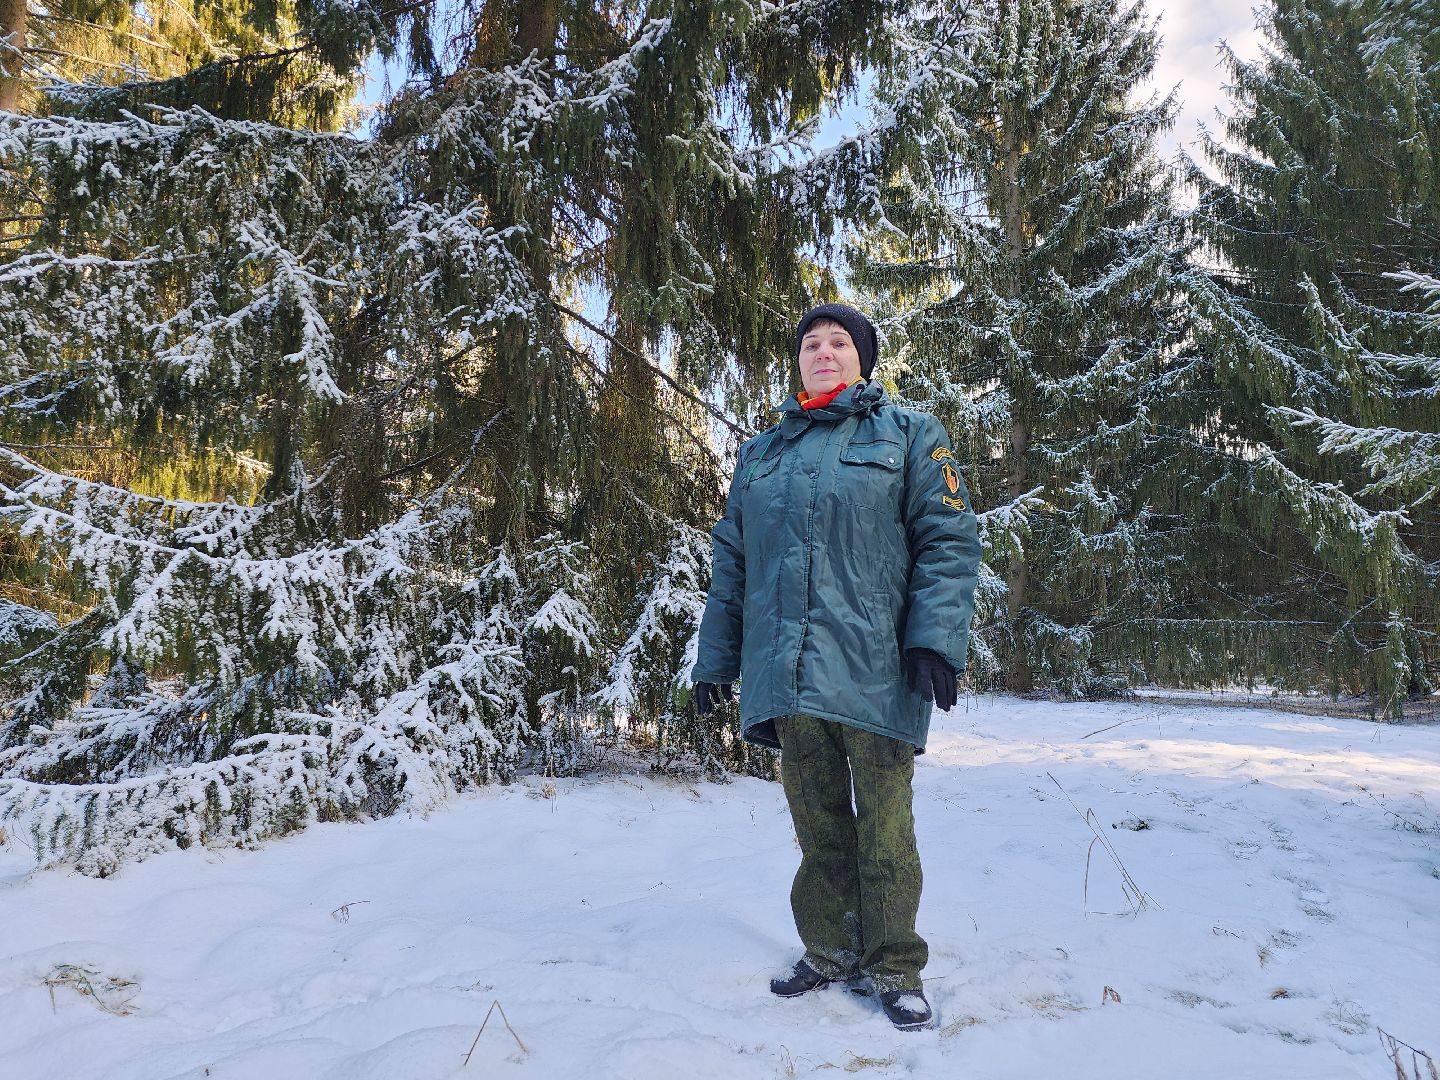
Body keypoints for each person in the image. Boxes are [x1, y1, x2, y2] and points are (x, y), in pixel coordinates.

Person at [689, 302, 981, 1032]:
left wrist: (932, 643)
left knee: (884, 831)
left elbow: (948, 541)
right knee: (818, 826)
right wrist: (714, 660)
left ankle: (893, 966)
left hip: (875, 670)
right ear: (798, 361)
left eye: (839, 342)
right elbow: (734, 560)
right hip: (788, 674)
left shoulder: (911, 435)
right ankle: (829, 949)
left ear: (863, 359)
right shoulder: (761, 455)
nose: (823, 352)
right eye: (811, 343)